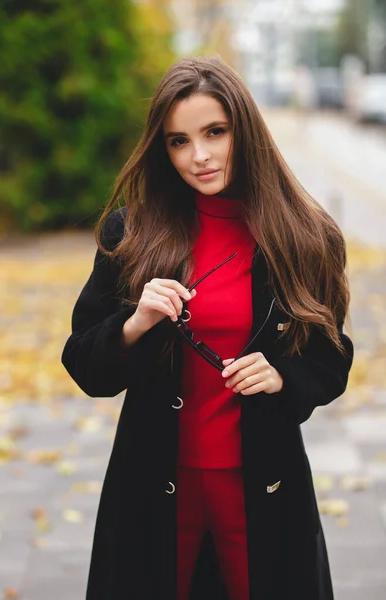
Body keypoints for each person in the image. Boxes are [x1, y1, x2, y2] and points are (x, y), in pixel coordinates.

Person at [61, 56, 354, 600]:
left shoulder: (305, 235)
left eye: (215, 132)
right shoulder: (133, 233)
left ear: (244, 128)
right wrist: (136, 321)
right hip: (152, 479)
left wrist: (284, 376)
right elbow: (83, 362)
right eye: (178, 141)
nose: (199, 156)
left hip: (264, 480)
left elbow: (331, 355)